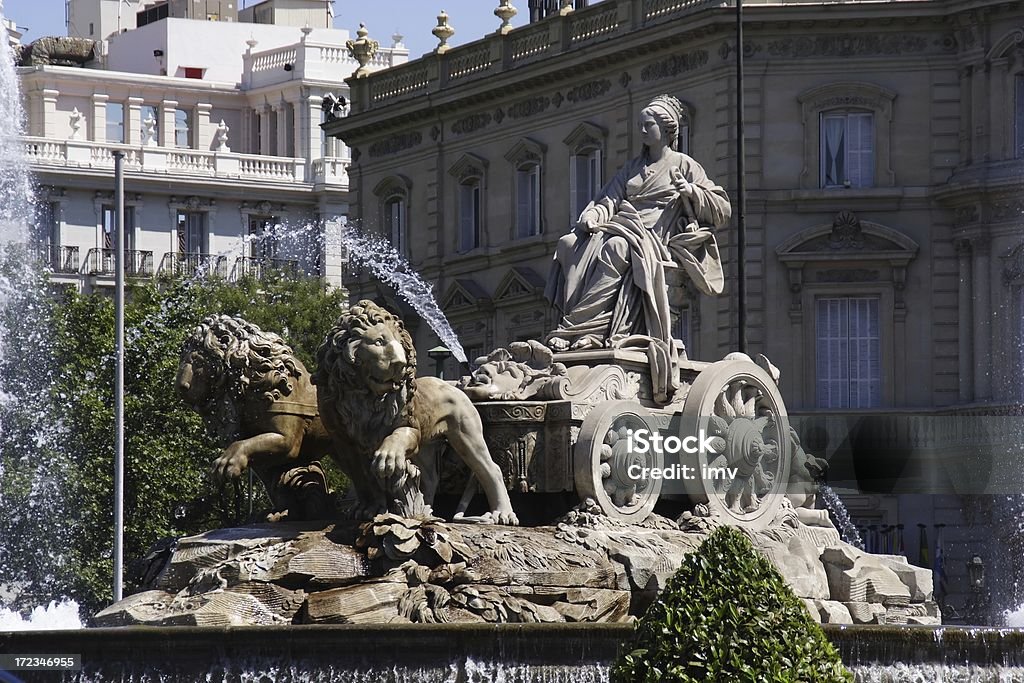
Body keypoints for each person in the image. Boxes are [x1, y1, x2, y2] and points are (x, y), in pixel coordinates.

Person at [545, 94, 731, 354]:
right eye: (641, 125)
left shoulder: (684, 165)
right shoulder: (632, 168)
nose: (642, 130)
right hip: (623, 225)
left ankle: (581, 328)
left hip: (656, 237)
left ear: (667, 129)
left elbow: (722, 208)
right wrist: (594, 215)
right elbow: (609, 199)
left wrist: (691, 191)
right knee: (568, 243)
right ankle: (584, 326)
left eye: (649, 125)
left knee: (617, 248)